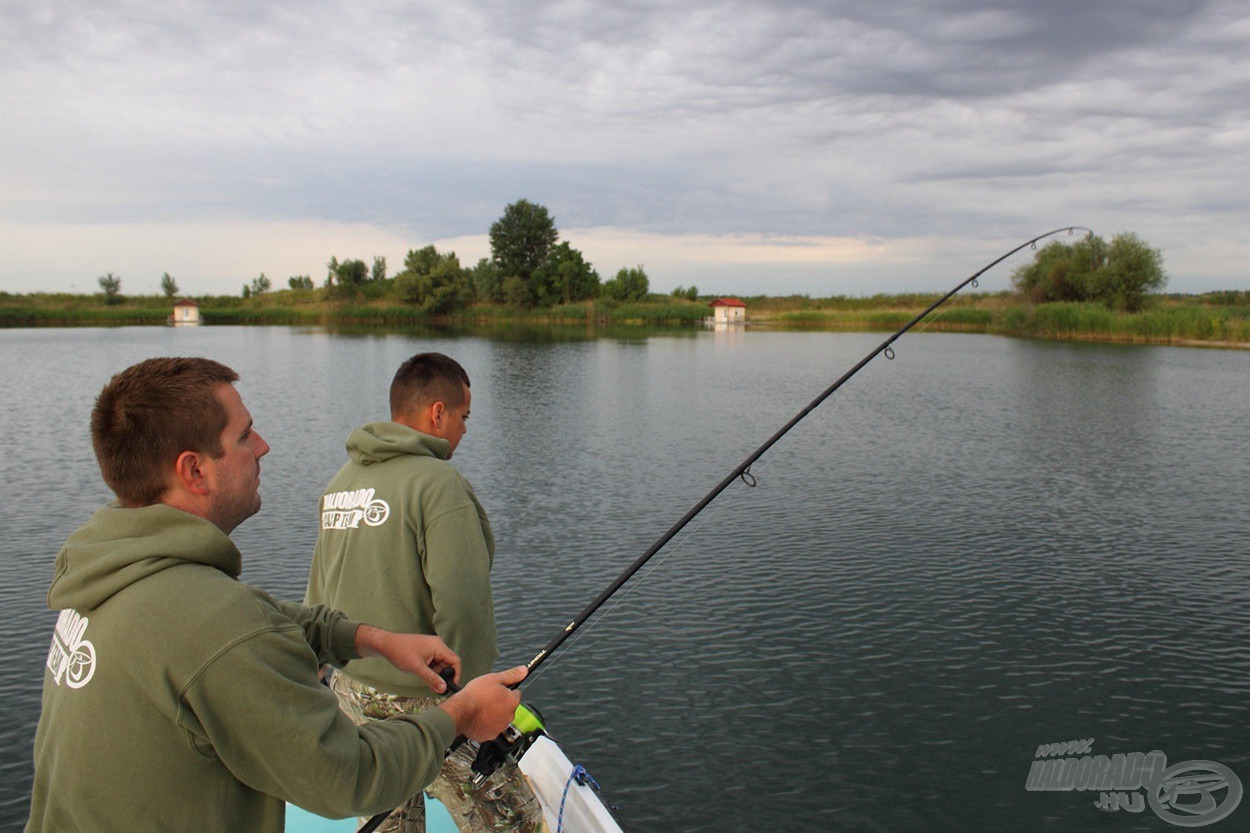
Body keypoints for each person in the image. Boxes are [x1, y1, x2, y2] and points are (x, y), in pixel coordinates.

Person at [25, 357, 527, 833]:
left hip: (351, 690)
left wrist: (373, 639)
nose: (263, 445)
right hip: (424, 705)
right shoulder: (215, 627)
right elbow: (350, 776)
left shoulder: (107, 576)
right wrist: (464, 709)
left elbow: (263, 615)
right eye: (244, 435)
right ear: (194, 471)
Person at [306, 352, 542, 833]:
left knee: (390, 821)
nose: (465, 429)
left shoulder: (340, 484)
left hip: (351, 695)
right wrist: (474, 699)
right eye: (463, 416)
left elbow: (316, 598)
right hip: (426, 699)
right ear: (437, 412)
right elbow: (462, 602)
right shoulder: (438, 483)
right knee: (515, 821)